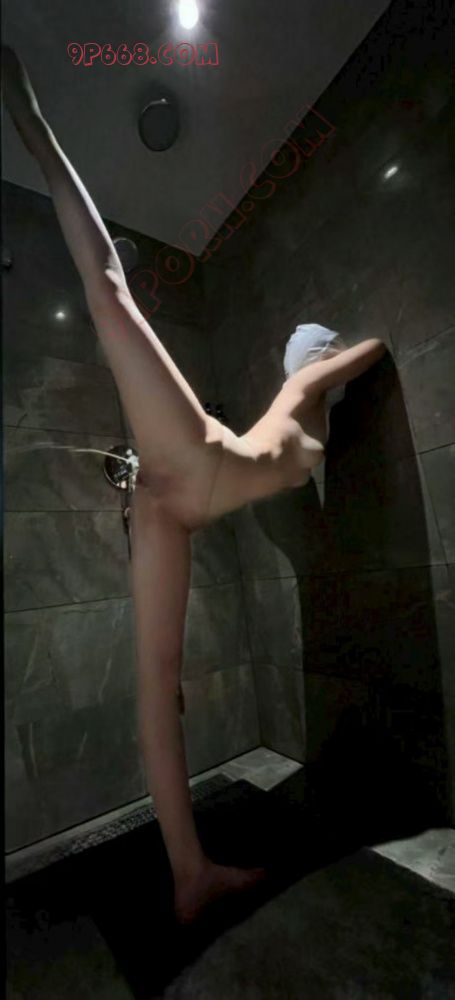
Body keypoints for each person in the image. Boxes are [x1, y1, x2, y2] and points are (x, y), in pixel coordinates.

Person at [2, 46, 387, 924]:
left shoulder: (297, 413)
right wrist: (330, 358)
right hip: (194, 471)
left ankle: (190, 874)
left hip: (176, 503)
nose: (322, 361)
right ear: (312, 359)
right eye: (317, 356)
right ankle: (32, 119)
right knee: (110, 291)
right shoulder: (303, 388)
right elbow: (371, 349)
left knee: (158, 683)